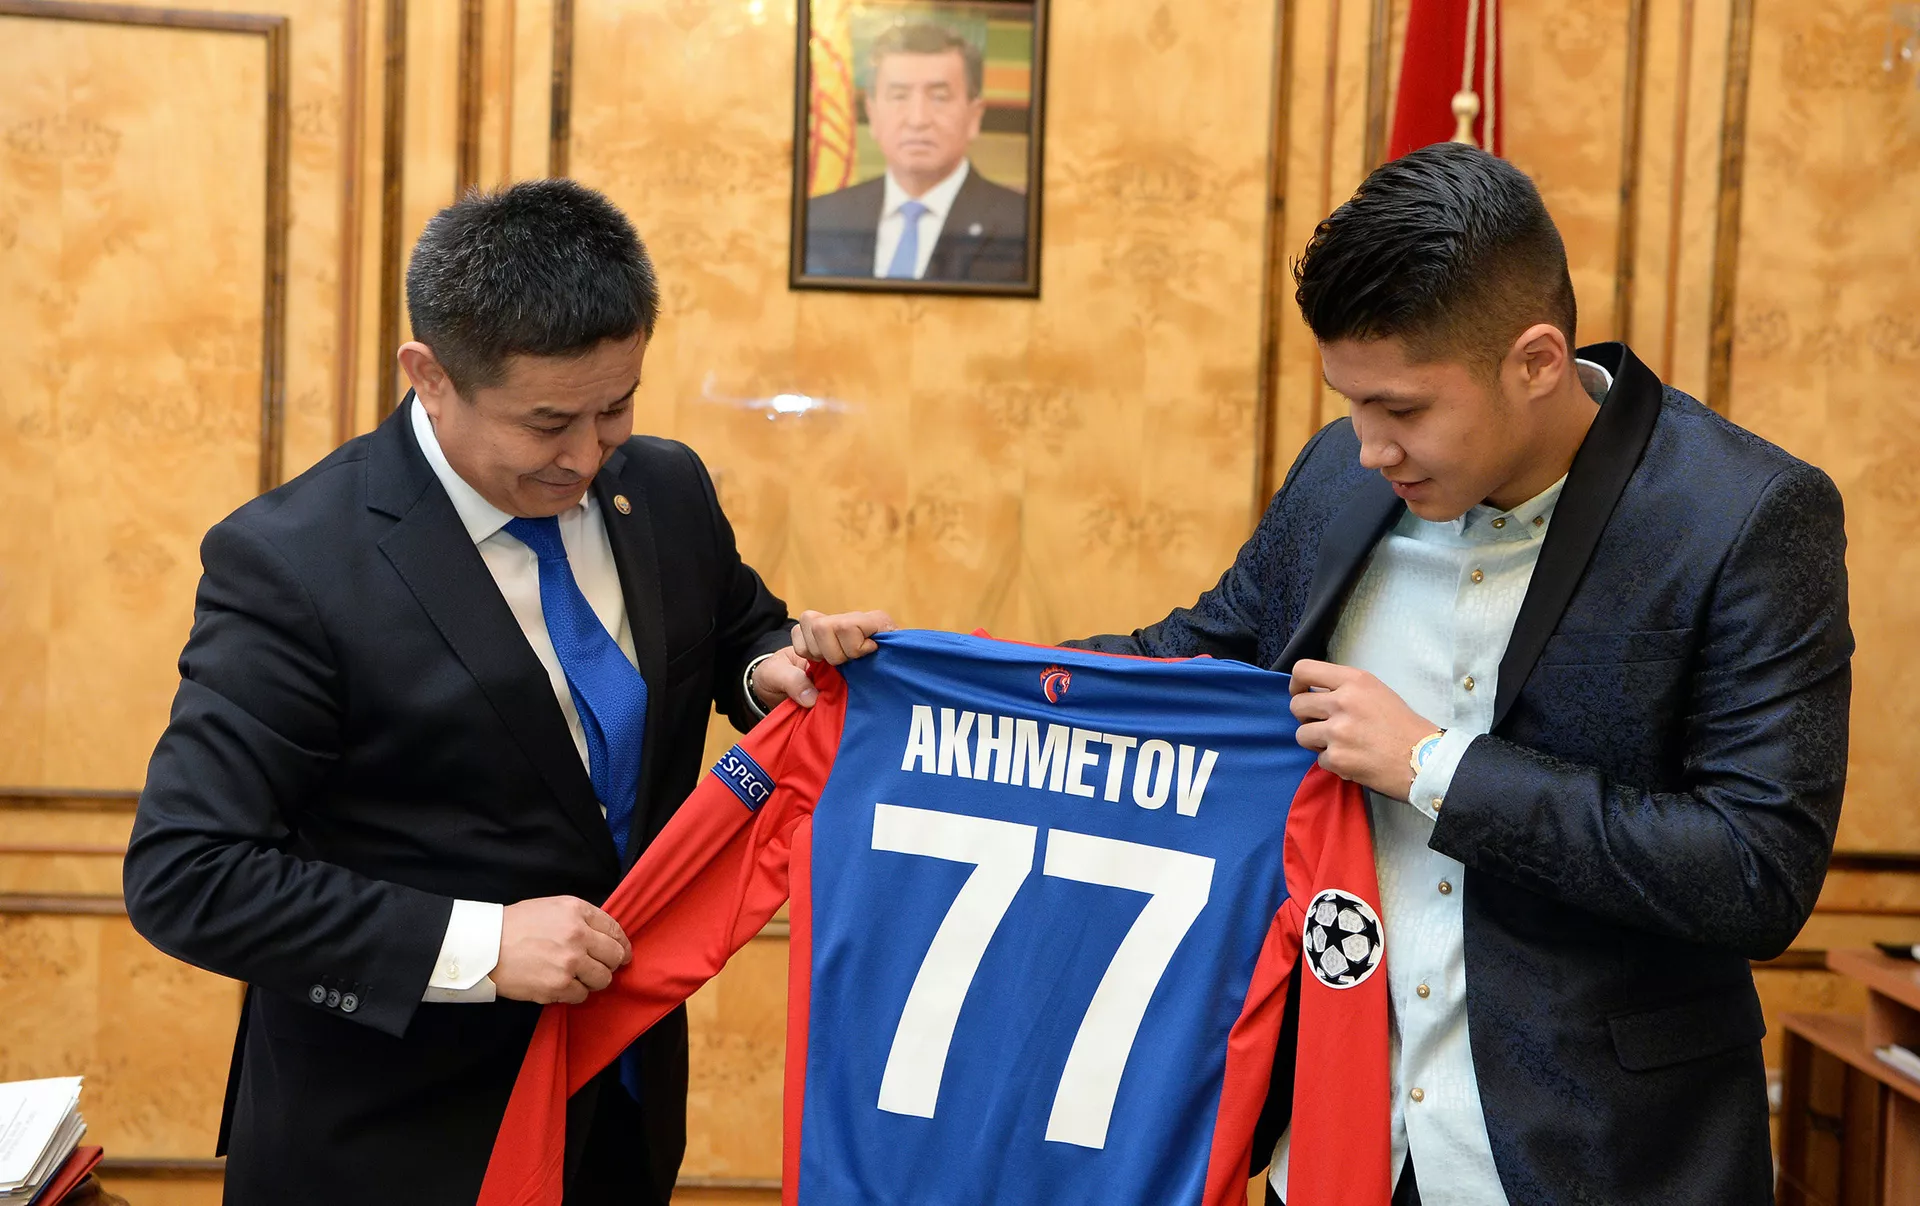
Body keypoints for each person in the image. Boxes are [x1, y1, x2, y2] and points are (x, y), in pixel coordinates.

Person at [1069, 143, 1851, 1205]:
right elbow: (1183, 662)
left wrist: (1434, 768)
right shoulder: (1336, 478)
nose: (1368, 448)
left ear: (1536, 361)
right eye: (1351, 403)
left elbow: (1756, 872)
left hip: (1601, 1162)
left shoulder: (1744, 517)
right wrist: (905, 670)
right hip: (1336, 1143)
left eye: (1403, 411)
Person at [122, 179, 891, 1205]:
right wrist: (481, 946)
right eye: (547, 423)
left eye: (615, 407)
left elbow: (730, 635)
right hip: (396, 1137)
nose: (587, 455)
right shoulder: (295, 563)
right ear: (430, 376)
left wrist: (770, 671)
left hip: (618, 1104)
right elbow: (188, 873)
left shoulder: (663, 487)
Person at [804, 21, 1028, 283]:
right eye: (899, 96)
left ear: (974, 116)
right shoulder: (819, 220)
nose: (918, 119)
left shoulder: (1024, 223)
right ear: (872, 115)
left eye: (939, 97)